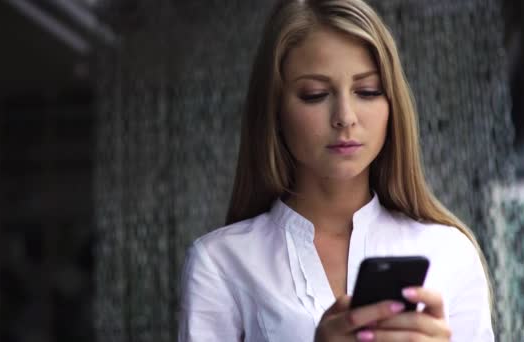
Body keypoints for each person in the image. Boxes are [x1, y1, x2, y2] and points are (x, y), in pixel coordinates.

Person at [178, 0, 494, 341]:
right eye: (315, 94)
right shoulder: (222, 263)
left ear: (393, 105)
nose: (345, 116)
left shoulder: (449, 252)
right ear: (275, 111)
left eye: (367, 91)